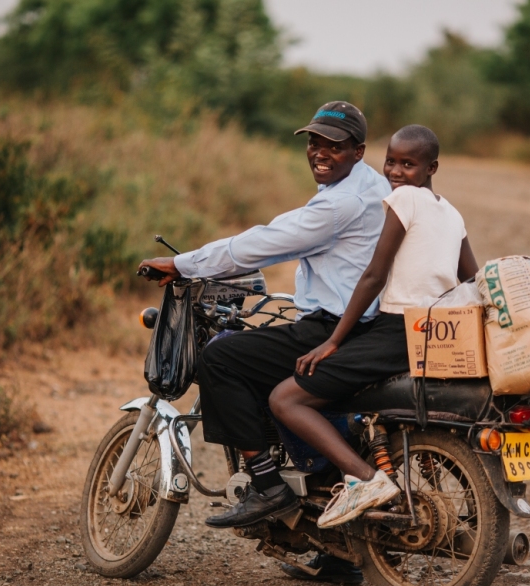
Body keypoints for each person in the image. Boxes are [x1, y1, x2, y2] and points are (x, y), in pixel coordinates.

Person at [138, 102, 391, 539]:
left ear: (358, 151)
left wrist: (184, 265)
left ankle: (267, 483)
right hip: (366, 324)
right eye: (313, 142)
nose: (319, 152)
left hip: (334, 328)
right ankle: (336, 553)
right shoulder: (373, 185)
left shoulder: (338, 204)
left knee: (220, 358)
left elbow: (263, 244)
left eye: (333, 145)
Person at [268, 124, 479, 528]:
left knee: (286, 399)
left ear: (432, 166)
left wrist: (333, 341)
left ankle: (365, 481)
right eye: (391, 162)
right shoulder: (451, 212)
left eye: (408, 164)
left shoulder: (403, 199)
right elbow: (471, 280)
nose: (396, 172)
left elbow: (373, 276)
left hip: (395, 329)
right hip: (430, 333)